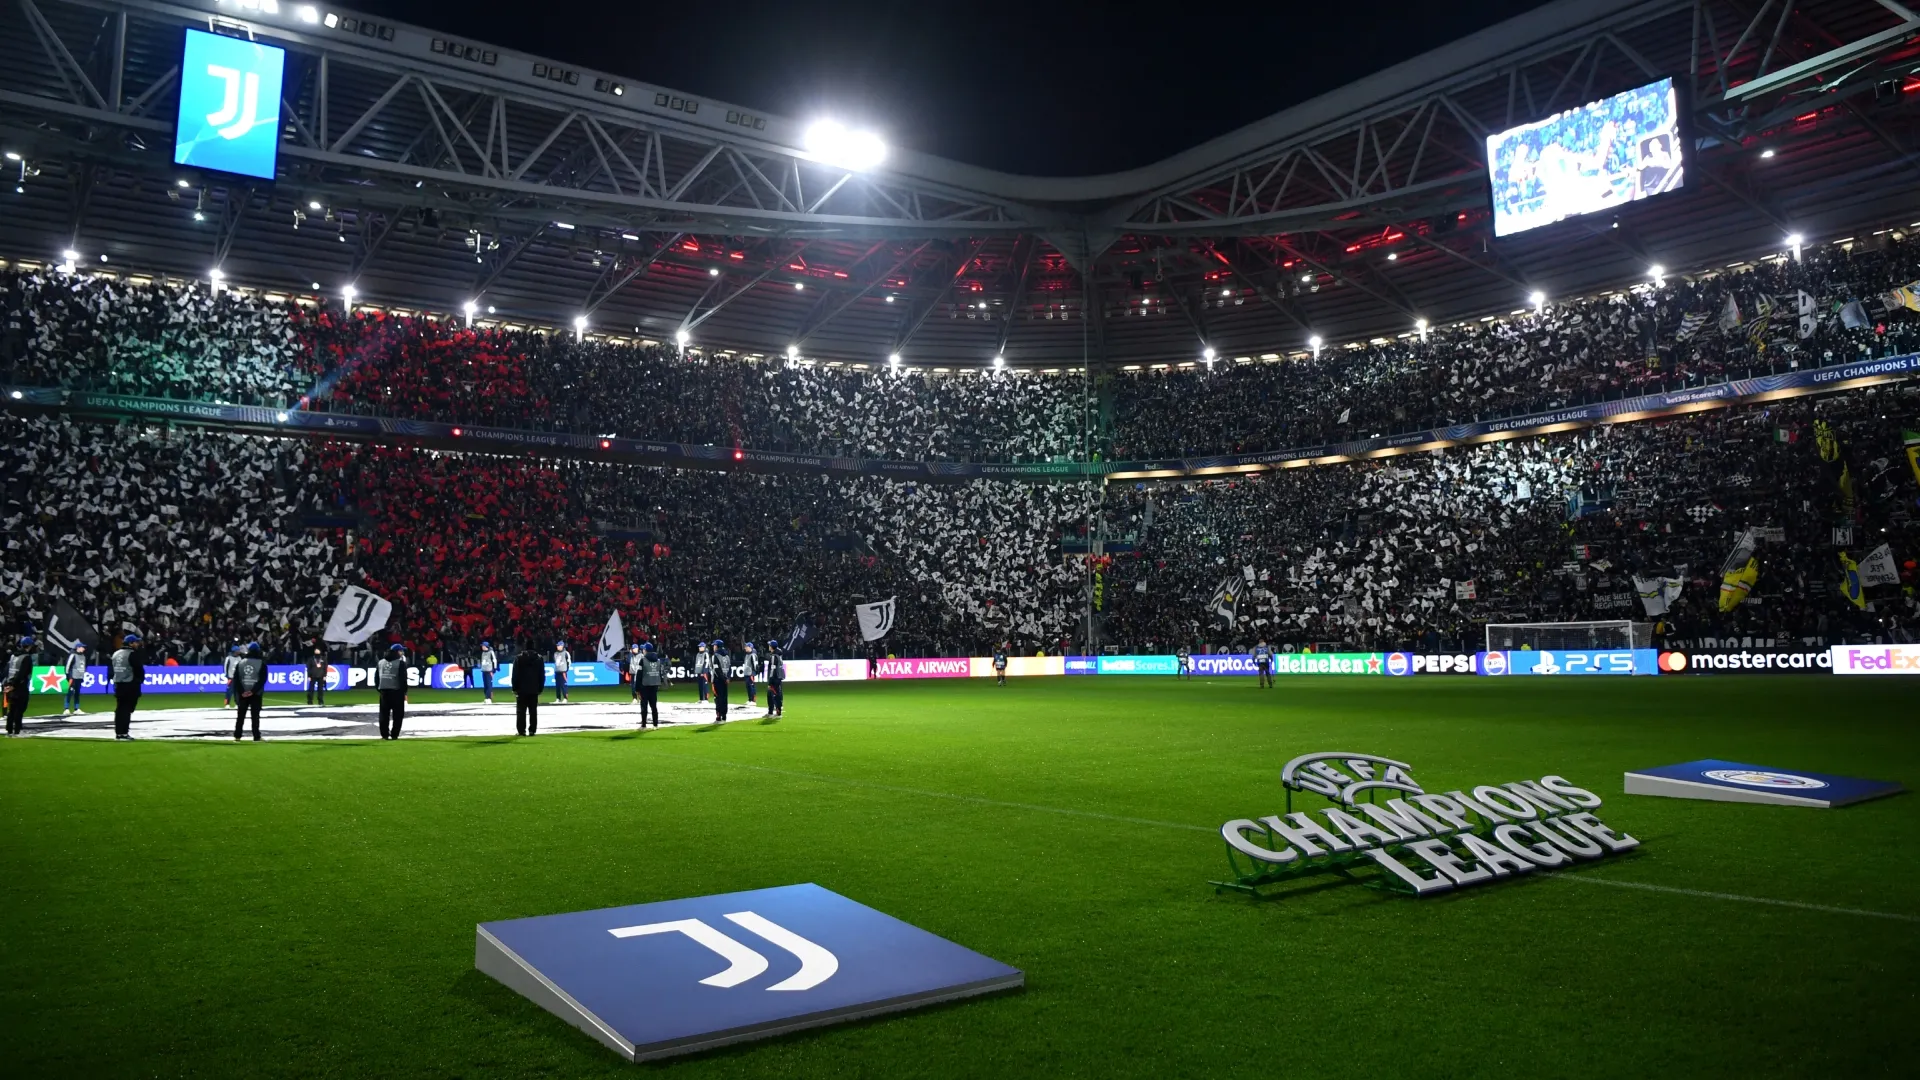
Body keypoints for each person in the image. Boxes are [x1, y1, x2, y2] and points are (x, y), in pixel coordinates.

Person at [110, 633, 144, 740]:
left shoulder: (116, 654)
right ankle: (124, 733)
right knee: (127, 710)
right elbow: (139, 670)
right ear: (131, 643)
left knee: (120, 709)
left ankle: (119, 733)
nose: (137, 644)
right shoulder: (132, 654)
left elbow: (111, 669)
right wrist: (139, 681)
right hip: (130, 685)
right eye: (136, 642)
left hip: (118, 684)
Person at [233, 641, 266, 741]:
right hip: (256, 694)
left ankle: (237, 735)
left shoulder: (241, 663)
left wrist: (242, 691)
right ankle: (256, 736)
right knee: (255, 716)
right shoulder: (262, 664)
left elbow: (237, 680)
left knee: (241, 715)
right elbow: (262, 680)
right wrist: (253, 691)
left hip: (243, 693)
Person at [511, 641, 545, 735]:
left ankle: (521, 730)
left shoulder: (519, 658)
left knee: (521, 711)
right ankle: (532, 730)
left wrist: (514, 687)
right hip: (534, 689)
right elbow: (542, 675)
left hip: (521, 689)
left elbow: (515, 674)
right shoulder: (539, 658)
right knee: (533, 711)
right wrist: (540, 688)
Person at [376, 643, 408, 740]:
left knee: (384, 714)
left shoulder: (380, 662)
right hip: (397, 692)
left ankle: (384, 734)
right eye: (401, 651)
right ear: (397, 652)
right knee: (398, 715)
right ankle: (394, 734)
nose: (402, 653)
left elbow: (376, 678)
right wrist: (404, 692)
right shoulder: (400, 663)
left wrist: (380, 689)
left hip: (384, 692)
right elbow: (403, 679)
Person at [3, 636, 31, 737]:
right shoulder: (26, 657)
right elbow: (22, 673)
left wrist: (7, 684)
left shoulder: (13, 656)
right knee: (20, 708)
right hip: (20, 686)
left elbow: (7, 670)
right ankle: (17, 731)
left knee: (12, 708)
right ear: (29, 646)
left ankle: (9, 730)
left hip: (10, 684)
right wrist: (14, 685)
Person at [635, 642, 663, 728]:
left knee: (644, 706)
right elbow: (659, 674)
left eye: (643, 649)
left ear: (646, 650)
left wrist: (637, 688)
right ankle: (655, 724)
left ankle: (643, 725)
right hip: (654, 686)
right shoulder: (658, 660)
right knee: (654, 706)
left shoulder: (642, 660)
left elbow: (639, 675)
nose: (642, 651)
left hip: (644, 686)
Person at [63, 642, 87, 715]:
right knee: (70, 692)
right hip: (73, 677)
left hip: (79, 677)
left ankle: (77, 708)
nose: (84, 648)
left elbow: (83, 667)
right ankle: (66, 709)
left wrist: (82, 676)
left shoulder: (83, 656)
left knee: (77, 693)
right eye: (82, 647)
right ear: (78, 647)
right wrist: (69, 677)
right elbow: (67, 666)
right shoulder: (73, 655)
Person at [710, 638, 731, 723]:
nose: (713, 647)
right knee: (724, 698)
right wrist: (727, 678)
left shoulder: (715, 656)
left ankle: (718, 716)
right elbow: (729, 668)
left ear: (717, 646)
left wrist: (723, 678)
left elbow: (716, 670)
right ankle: (724, 716)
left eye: (714, 645)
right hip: (725, 680)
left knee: (717, 698)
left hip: (717, 680)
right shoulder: (727, 656)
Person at [764, 640, 785, 717]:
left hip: (774, 678)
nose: (768, 646)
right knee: (776, 694)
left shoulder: (773, 656)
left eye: (769, 645)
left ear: (772, 647)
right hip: (778, 678)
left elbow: (772, 670)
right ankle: (775, 711)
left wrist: (770, 682)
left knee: (772, 695)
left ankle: (774, 712)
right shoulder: (778, 655)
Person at [222, 643, 241, 707]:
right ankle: (227, 704)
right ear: (235, 651)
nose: (239, 651)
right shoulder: (229, 658)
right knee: (229, 691)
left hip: (237, 677)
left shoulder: (239, 658)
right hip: (230, 677)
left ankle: (237, 703)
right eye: (238, 650)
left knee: (237, 691)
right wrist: (226, 675)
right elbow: (225, 667)